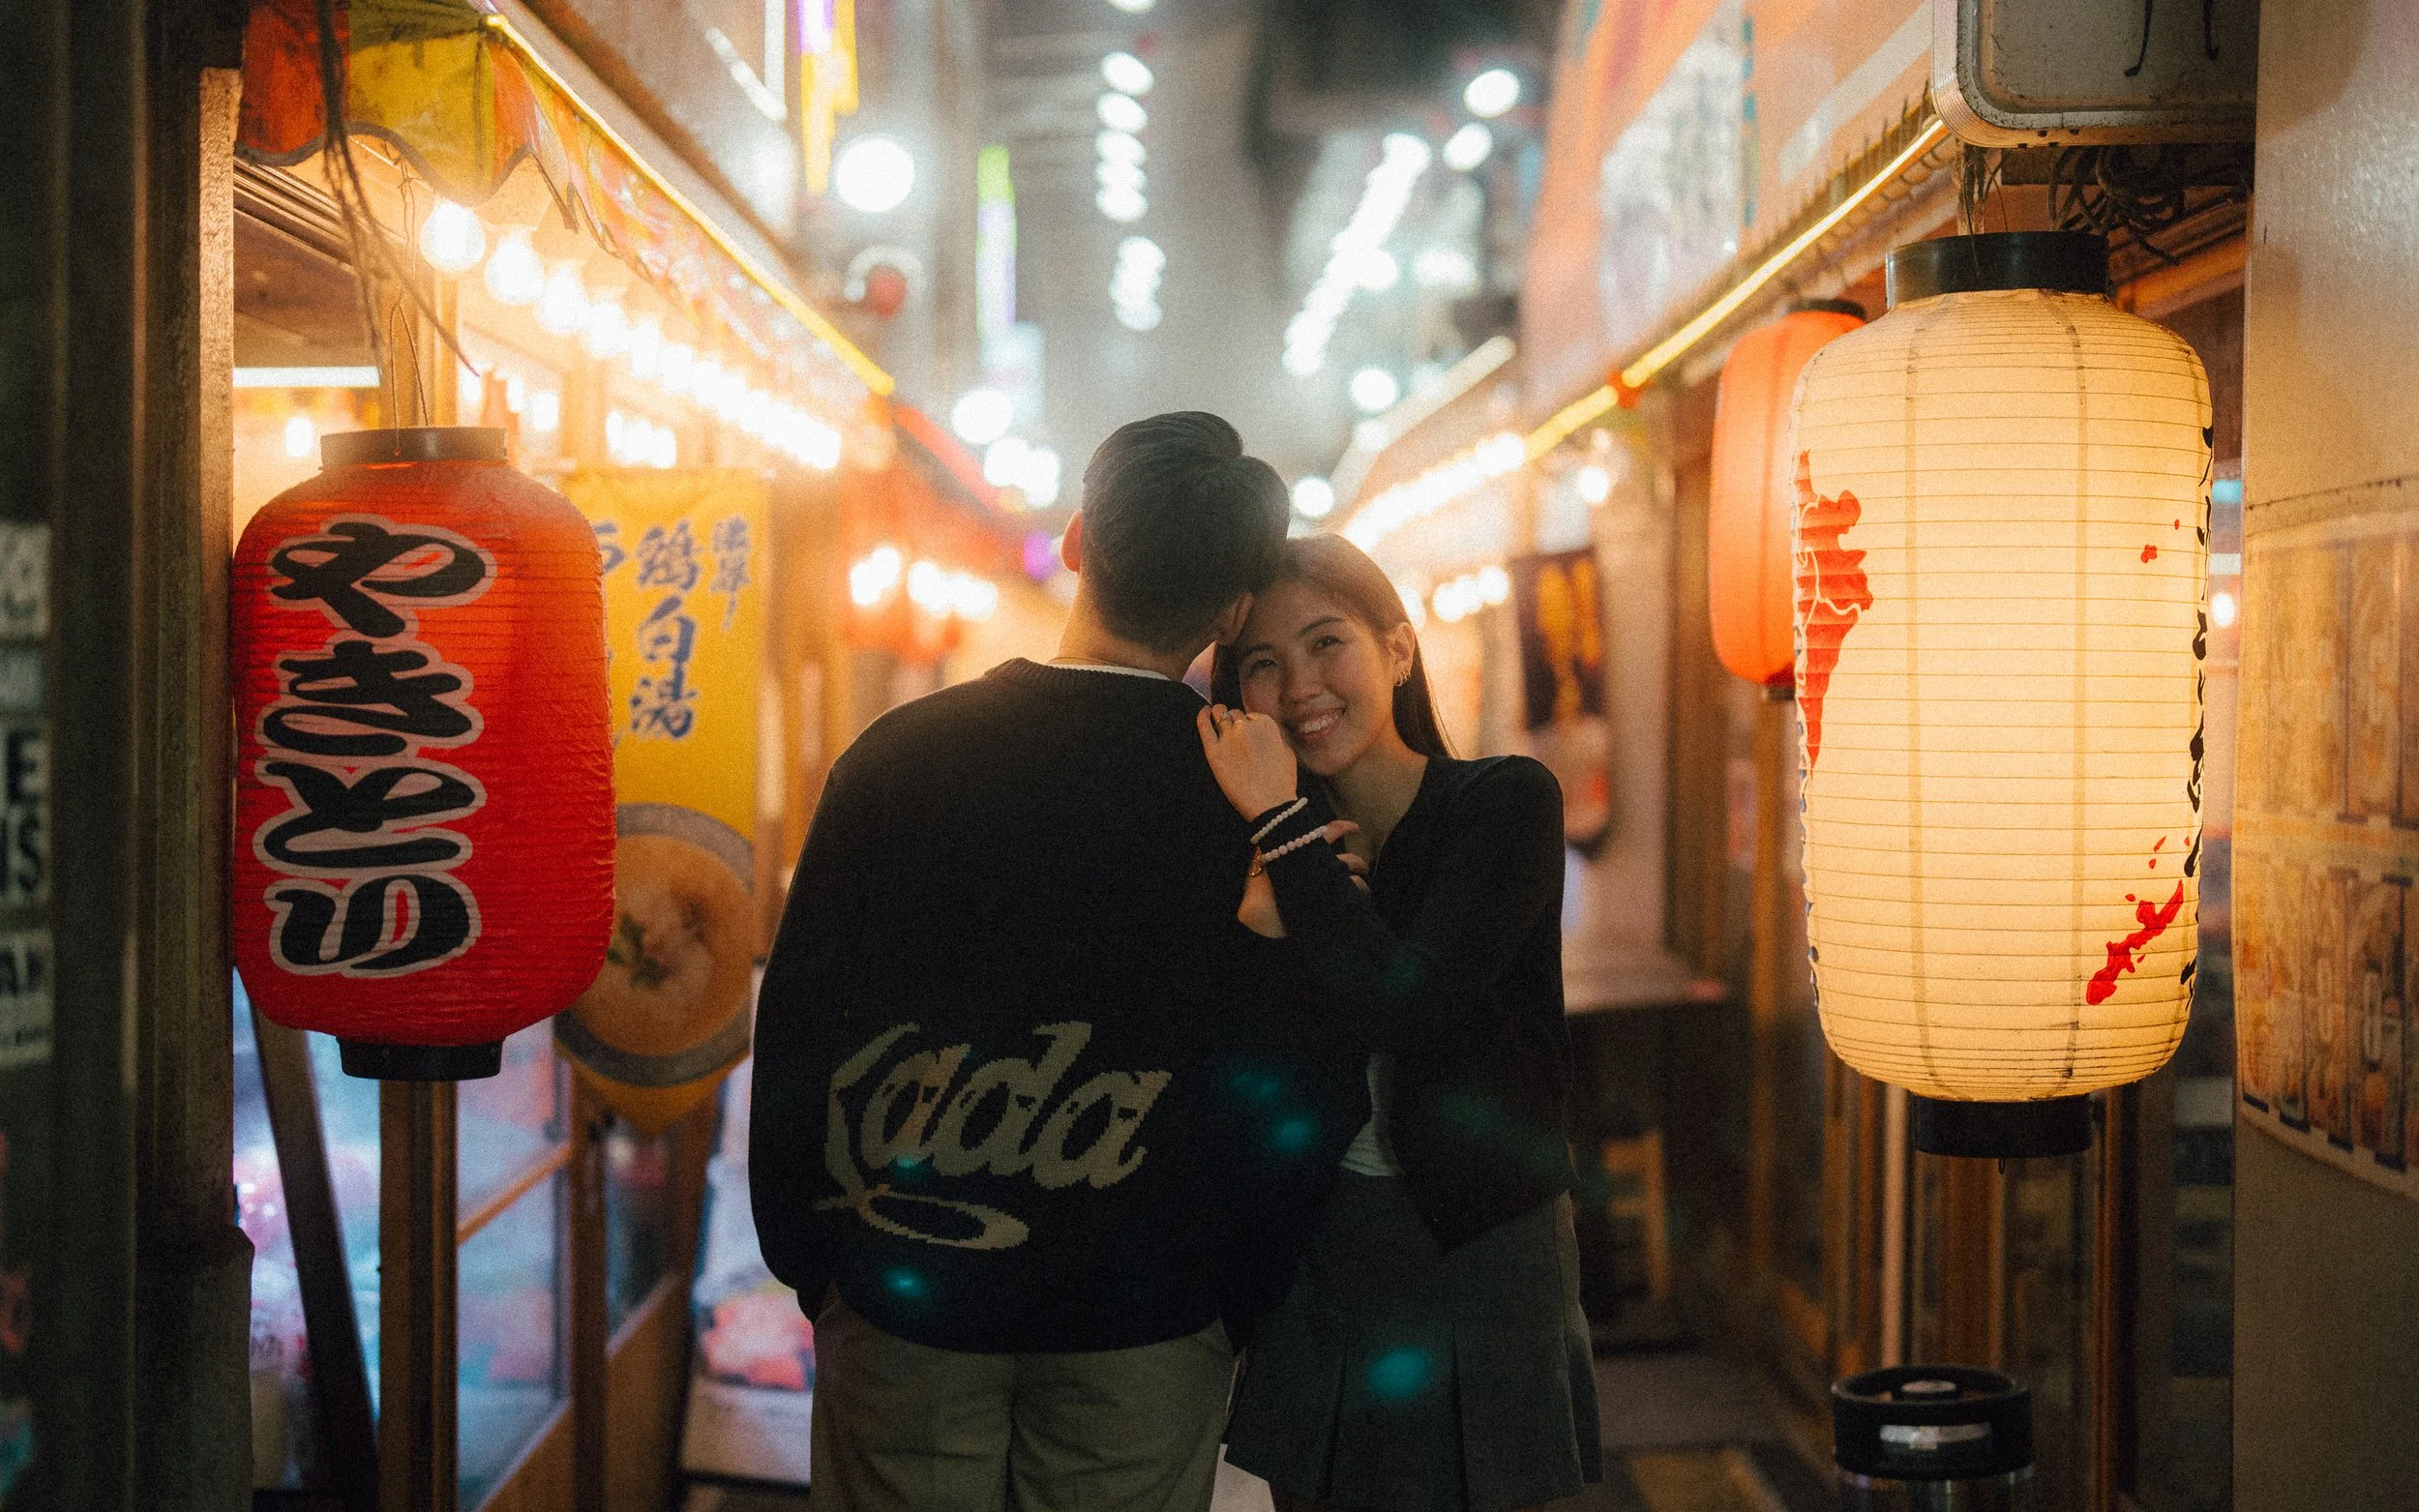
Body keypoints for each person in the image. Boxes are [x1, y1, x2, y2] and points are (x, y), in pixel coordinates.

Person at [750, 412, 1359, 1512]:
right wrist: (1239, 1294)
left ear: (1077, 541)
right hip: (1149, 1321)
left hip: (906, 1296)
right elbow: (1300, 1063)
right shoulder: (1254, 803)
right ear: (1230, 610)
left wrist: (815, 1265)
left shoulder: (899, 758)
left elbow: (800, 1023)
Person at [1199, 534, 1602, 1512]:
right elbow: (1225, 1069)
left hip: (1479, 1242)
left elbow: (1407, 1003)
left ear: (1397, 650)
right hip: (1322, 1250)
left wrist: (1286, 839)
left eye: (1326, 643)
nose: (1298, 687)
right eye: (1263, 664)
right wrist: (1256, 924)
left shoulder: (1501, 804)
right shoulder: (1259, 852)